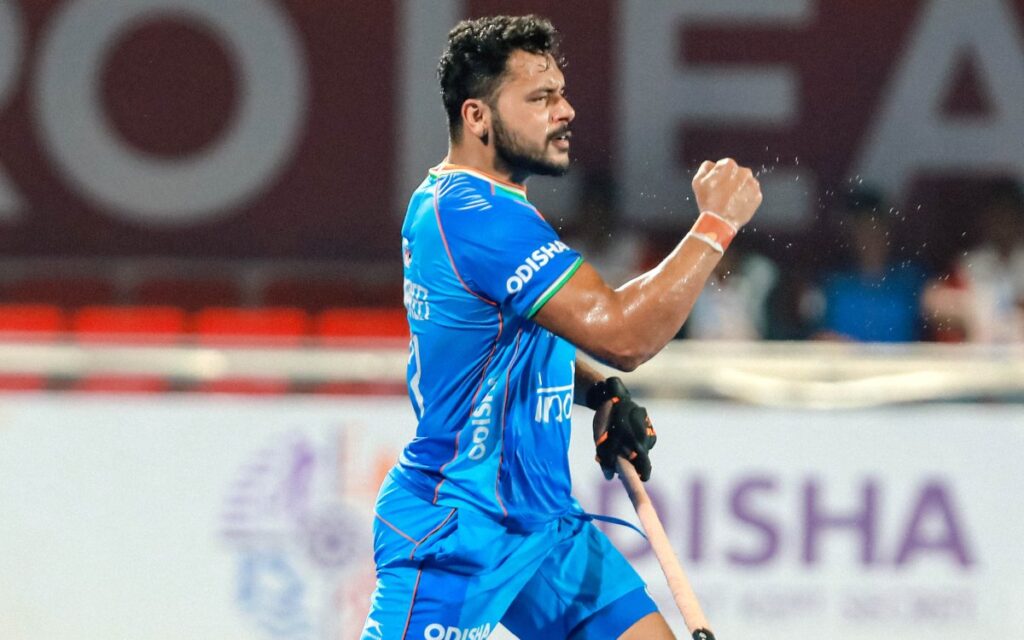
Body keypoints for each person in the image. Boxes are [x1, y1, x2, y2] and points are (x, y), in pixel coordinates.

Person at [363, 15, 761, 640]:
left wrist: (598, 392)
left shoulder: (462, 202)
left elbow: (505, 348)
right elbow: (625, 336)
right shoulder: (477, 216)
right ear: (478, 117)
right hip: (460, 526)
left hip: (543, 523)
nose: (566, 110)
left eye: (562, 93)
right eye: (541, 97)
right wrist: (715, 225)